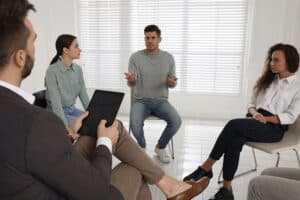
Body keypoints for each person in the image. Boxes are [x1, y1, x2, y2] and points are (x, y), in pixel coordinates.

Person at [0, 1, 209, 200]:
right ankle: (171, 187)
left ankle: (170, 186)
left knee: (115, 128)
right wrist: (104, 142)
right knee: (133, 166)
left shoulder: (25, 114)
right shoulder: (38, 121)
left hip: (39, 171)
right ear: (20, 57)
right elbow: (96, 190)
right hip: (69, 190)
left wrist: (71, 133)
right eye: (33, 41)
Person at [183, 43, 300, 200]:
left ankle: (206, 167)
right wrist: (255, 114)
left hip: (274, 128)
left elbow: (291, 116)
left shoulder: (297, 87)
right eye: (271, 59)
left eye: (276, 60)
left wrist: (265, 118)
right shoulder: (268, 80)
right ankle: (226, 189)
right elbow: (251, 103)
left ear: (289, 62)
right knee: (235, 139)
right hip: (255, 119)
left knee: (233, 125)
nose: (271, 63)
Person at [125, 24, 181, 163]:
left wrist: (171, 83)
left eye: (153, 38)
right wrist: (132, 81)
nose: (149, 41)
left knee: (176, 121)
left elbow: (172, 82)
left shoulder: (168, 58)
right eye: (147, 38)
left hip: (161, 101)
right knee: (135, 124)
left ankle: (160, 147)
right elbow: (131, 83)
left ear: (159, 39)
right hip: (141, 101)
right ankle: (142, 147)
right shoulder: (135, 57)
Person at [45, 34, 89, 127]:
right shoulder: (52, 71)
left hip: (72, 109)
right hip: (56, 113)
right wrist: (65, 127)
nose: (80, 50)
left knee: (94, 122)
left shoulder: (78, 69)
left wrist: (94, 115)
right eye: (76, 46)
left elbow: (84, 95)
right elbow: (56, 105)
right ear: (65, 50)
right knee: (84, 126)